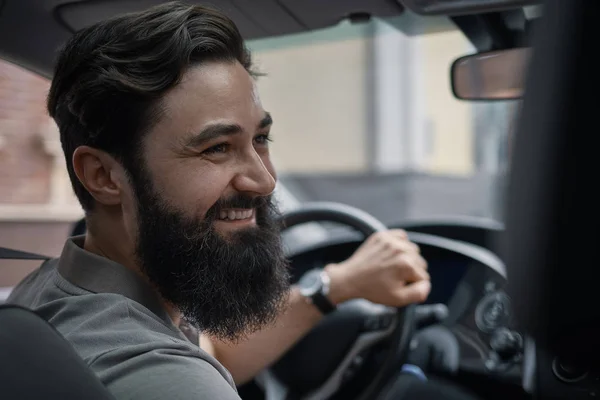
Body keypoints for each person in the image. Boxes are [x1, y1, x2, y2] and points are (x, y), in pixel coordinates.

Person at [7, 2, 430, 399]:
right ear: (103, 177)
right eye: (216, 148)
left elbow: (212, 351)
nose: (264, 180)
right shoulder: (167, 379)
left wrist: (335, 288)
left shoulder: (50, 291)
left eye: (260, 139)